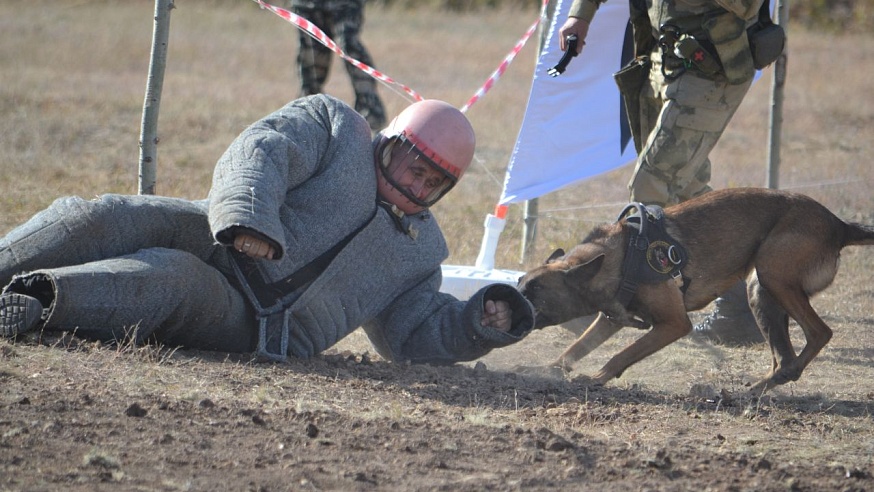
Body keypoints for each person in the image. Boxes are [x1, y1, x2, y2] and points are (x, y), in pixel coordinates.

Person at [0, 94, 535, 364]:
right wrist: (249, 216)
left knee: (174, 279)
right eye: (415, 169)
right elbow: (262, 149)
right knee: (106, 214)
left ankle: (38, 299)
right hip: (224, 229)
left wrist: (479, 322)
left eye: (434, 184)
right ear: (391, 143)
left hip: (258, 324)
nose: (419, 189)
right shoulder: (335, 127)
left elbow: (413, 334)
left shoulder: (422, 251)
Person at [556, 0, 765, 345]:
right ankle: (739, 307)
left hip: (708, 67)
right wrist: (580, 15)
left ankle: (617, 299)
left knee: (651, 185)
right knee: (690, 192)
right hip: (662, 59)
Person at [290, 0, 387, 132]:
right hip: (308, 4)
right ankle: (308, 118)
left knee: (350, 46)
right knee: (311, 57)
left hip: (344, 3)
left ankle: (371, 116)